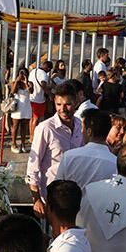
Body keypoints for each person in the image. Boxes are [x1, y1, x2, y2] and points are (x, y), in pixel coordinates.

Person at [26, 83, 83, 218]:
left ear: (76, 103)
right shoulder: (45, 128)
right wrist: (37, 199)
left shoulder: (81, 126)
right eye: (58, 104)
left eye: (67, 104)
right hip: (52, 198)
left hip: (76, 196)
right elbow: (33, 166)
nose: (62, 109)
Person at [56, 109, 117, 190]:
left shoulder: (69, 156)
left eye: (83, 128)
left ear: (89, 132)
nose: (81, 131)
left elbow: (57, 188)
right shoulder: (115, 162)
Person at [9, 68, 32, 153]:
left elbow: (31, 91)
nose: (22, 75)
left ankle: (23, 143)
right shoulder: (14, 83)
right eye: (21, 73)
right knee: (15, 125)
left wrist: (26, 83)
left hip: (26, 106)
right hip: (17, 106)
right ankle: (14, 144)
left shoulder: (29, 83)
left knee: (24, 126)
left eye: (24, 73)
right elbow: (13, 92)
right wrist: (17, 81)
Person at [28, 60, 50, 137]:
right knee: (36, 119)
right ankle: (33, 137)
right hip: (39, 100)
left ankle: (31, 135)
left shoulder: (33, 71)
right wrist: (50, 94)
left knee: (32, 118)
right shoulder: (44, 74)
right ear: (47, 68)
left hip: (31, 98)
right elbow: (43, 84)